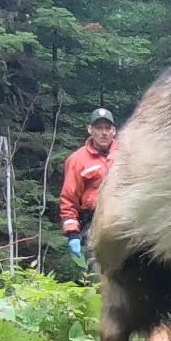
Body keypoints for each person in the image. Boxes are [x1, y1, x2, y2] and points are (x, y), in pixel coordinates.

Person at [58, 108, 116, 278]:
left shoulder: (126, 155)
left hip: (125, 221)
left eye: (107, 128)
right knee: (100, 274)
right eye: (99, 128)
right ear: (90, 130)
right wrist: (73, 234)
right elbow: (68, 199)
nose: (104, 133)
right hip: (95, 223)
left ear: (114, 130)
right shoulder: (77, 160)